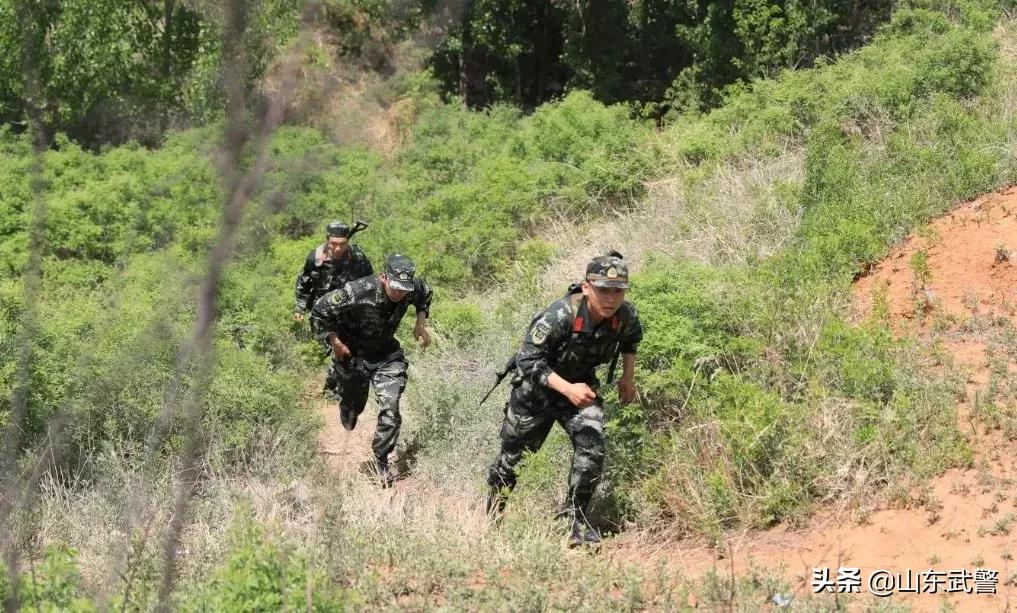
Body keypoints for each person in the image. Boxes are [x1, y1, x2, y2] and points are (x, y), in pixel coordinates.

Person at [486, 252, 643, 547]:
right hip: (535, 393)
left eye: (618, 291)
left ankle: (576, 521)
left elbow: (631, 340)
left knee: (592, 447)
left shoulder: (625, 316)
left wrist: (627, 377)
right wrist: (567, 389)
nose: (611, 298)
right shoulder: (560, 315)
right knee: (512, 462)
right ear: (586, 288)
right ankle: (493, 517)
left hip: (580, 389)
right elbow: (528, 360)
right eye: (603, 290)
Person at [310, 254, 432, 486]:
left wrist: (420, 322)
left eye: (404, 289)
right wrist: (335, 343)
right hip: (352, 355)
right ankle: (346, 399)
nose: (400, 293)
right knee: (351, 413)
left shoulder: (410, 287)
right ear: (384, 277)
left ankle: (381, 461)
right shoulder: (357, 291)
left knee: (391, 407)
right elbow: (319, 310)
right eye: (395, 287)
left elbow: (425, 292)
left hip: (386, 354)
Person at [293, 221, 373, 322]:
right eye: (333, 243)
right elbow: (304, 283)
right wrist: (300, 308)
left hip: (351, 311)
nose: (338, 248)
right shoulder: (315, 258)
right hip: (322, 311)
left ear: (347, 241)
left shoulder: (358, 257)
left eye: (342, 244)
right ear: (327, 240)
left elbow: (369, 281)